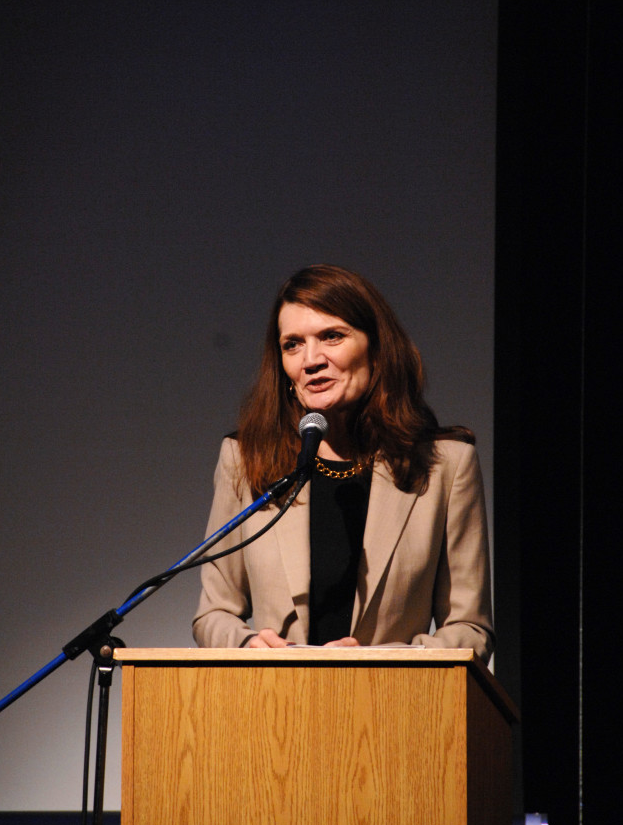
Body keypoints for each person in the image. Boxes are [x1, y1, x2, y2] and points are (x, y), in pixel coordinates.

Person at [192, 264, 494, 661]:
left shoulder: (446, 466)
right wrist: (248, 645)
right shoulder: (247, 458)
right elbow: (214, 612)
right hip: (274, 707)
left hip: (391, 711)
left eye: (331, 337)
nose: (311, 359)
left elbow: (470, 629)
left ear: (377, 349)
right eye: (293, 344)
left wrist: (381, 661)